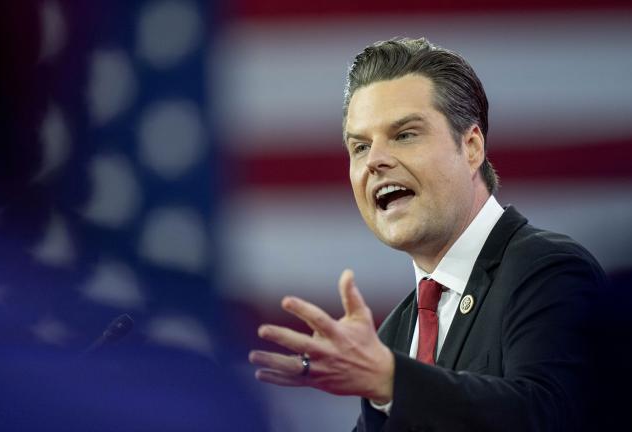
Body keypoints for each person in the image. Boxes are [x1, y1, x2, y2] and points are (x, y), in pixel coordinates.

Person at [249, 37, 607, 431]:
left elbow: (548, 414)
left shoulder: (548, 271)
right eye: (360, 146)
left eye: (405, 134)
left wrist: (390, 380)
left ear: (471, 147)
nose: (376, 161)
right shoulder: (394, 335)